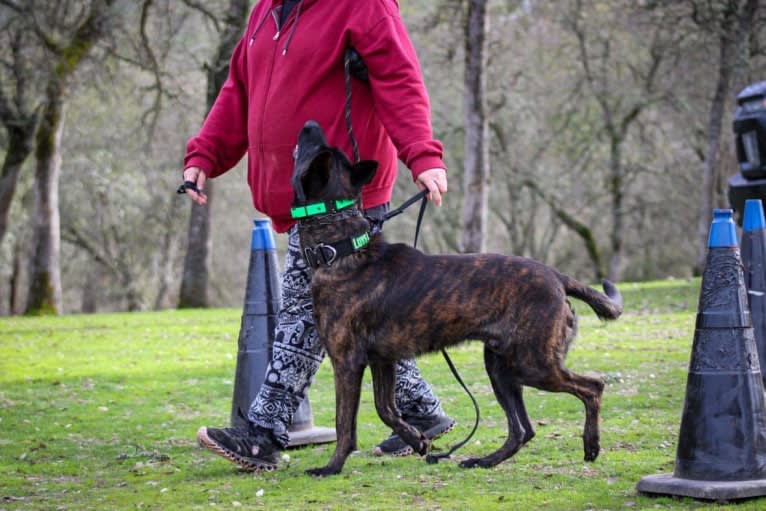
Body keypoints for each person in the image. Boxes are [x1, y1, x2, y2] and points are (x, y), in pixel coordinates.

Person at [183, 0, 452, 472]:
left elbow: (399, 79)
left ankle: (264, 433)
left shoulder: (364, 6)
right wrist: (204, 155)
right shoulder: (265, 10)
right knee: (354, 316)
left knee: (308, 310)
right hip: (301, 200)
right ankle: (420, 412)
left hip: (344, 196)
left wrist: (424, 156)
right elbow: (237, 92)